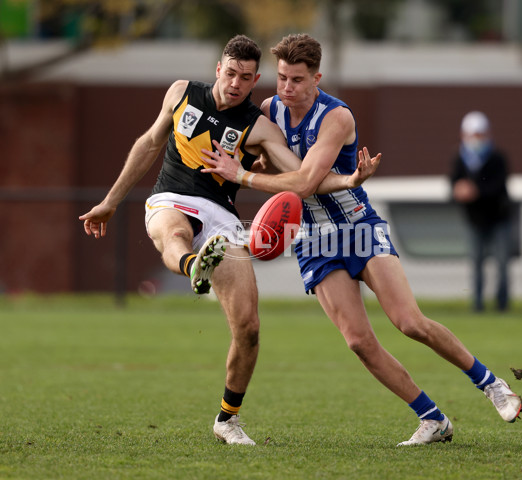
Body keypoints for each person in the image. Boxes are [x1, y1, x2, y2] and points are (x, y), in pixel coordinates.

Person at [201, 33, 522, 446]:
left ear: (317, 78)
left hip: (357, 228)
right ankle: (433, 419)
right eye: (281, 77)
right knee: (358, 342)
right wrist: (261, 164)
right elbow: (282, 166)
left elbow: (302, 183)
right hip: (314, 240)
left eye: (297, 80)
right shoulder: (269, 110)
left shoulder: (337, 117)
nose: (286, 88)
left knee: (410, 323)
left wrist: (242, 175)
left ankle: (491, 384)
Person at [78, 34, 379, 446]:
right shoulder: (182, 92)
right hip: (171, 197)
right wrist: (110, 202)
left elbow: (306, 175)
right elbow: (149, 143)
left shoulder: (258, 125)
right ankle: (193, 265)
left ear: (255, 81)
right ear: (218, 69)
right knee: (175, 233)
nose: (236, 83)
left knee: (249, 326)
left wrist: (350, 179)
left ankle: (227, 419)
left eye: (246, 77)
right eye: (231, 73)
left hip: (221, 217)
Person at [450, 111, 513, 312]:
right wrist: (458, 190)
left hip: (499, 218)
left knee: (502, 263)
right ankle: (477, 304)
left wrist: (475, 191)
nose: (475, 139)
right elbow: (453, 186)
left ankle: (502, 305)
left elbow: (498, 186)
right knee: (476, 263)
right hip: (474, 220)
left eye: (479, 134)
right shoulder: (460, 159)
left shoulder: (497, 158)